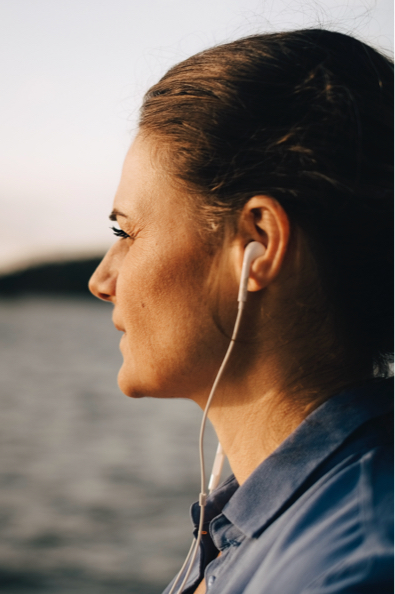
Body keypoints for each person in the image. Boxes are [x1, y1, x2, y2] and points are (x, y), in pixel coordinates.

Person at [89, 29, 393, 594]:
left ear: (258, 240)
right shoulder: (255, 523)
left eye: (126, 231)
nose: (102, 280)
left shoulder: (349, 571)